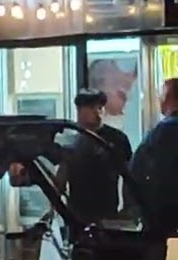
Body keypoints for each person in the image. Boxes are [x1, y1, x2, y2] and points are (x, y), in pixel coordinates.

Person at [55, 89, 133, 225]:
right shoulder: (72, 141)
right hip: (77, 215)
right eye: (82, 109)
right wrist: (52, 209)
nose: (97, 112)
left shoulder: (117, 139)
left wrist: (128, 208)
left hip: (108, 214)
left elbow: (128, 176)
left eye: (98, 107)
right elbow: (61, 177)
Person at [133, 78, 178, 237]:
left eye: (161, 95)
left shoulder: (164, 131)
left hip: (166, 222)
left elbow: (137, 170)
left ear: (168, 98)